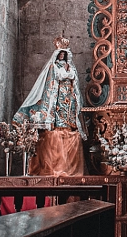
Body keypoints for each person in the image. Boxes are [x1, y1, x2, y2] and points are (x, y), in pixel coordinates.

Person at [13, 38, 86, 176]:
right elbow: (56, 78)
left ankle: (66, 125)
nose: (63, 56)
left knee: (68, 112)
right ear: (57, 54)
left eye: (64, 54)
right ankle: (57, 124)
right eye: (61, 54)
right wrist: (66, 74)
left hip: (68, 95)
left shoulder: (70, 67)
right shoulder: (54, 66)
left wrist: (69, 74)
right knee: (58, 114)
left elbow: (73, 78)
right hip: (58, 94)